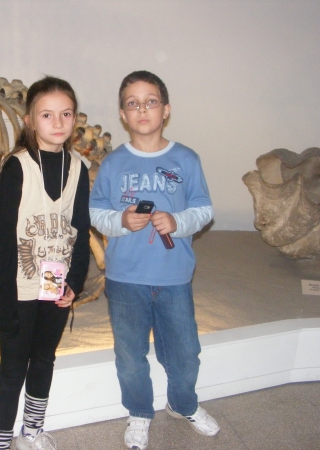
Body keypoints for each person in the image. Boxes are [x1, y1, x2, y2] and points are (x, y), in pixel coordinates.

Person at [89, 71, 219, 450]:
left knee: (185, 352)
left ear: (166, 110)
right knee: (130, 355)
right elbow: (96, 211)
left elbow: (204, 208)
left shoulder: (186, 159)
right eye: (133, 103)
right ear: (122, 114)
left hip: (174, 276)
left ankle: (182, 404)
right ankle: (139, 412)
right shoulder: (114, 164)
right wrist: (121, 220)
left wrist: (177, 222)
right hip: (125, 278)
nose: (142, 109)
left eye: (150, 102)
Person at [0, 76, 91, 450]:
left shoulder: (78, 167)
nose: (58, 122)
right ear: (30, 120)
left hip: (55, 284)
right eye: (47, 114)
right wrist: (4, 306)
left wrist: (75, 281)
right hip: (20, 286)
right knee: (13, 368)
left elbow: (81, 229)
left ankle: (32, 430)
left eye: (66, 114)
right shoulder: (16, 167)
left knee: (44, 359)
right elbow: (3, 241)